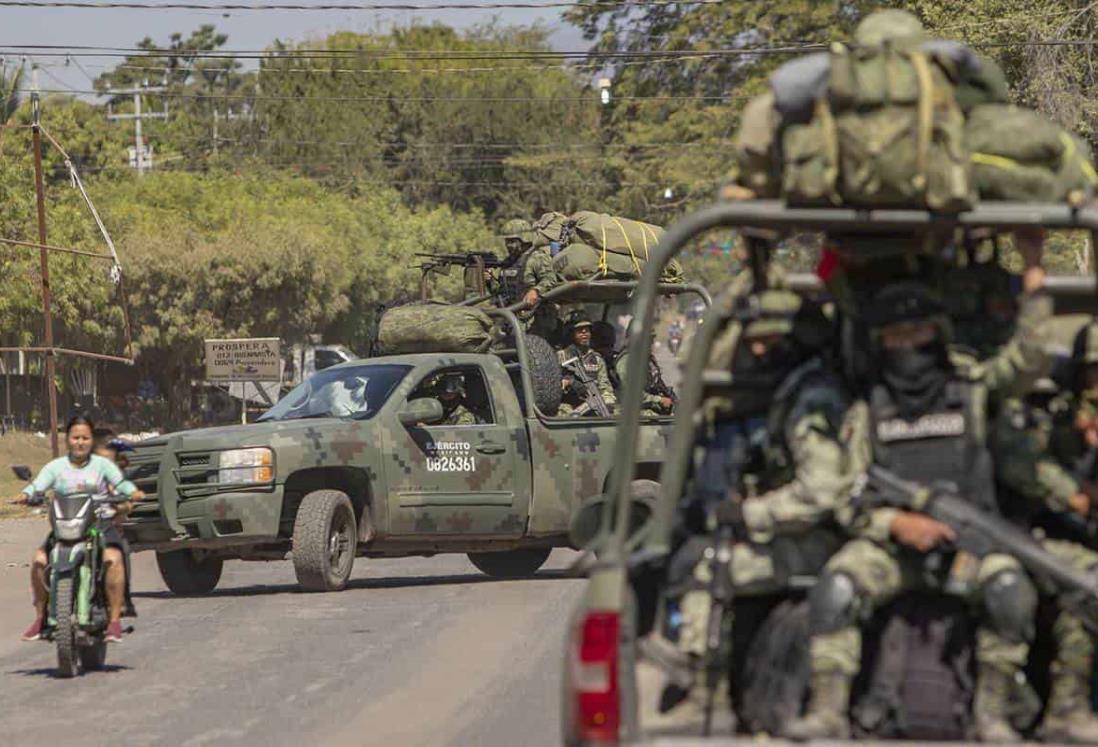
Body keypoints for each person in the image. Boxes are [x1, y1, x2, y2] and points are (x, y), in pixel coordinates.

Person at [785, 232, 1052, 742]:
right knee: (836, 588)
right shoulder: (867, 408)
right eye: (896, 337)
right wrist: (897, 522)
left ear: (939, 333)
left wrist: (1034, 268)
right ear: (880, 343)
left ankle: (991, 714)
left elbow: (1031, 359)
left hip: (967, 547)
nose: (908, 347)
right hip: (891, 547)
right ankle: (827, 711)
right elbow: (847, 495)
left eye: (918, 334)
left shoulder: (971, 391)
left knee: (1010, 590)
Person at [662, 288, 847, 729]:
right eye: (754, 342)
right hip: (819, 526)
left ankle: (707, 695)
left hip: (830, 536)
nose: (758, 352)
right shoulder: (793, 387)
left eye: (767, 342)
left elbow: (821, 492)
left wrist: (751, 515)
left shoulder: (813, 395)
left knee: (710, 570)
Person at [990, 319, 1098, 742]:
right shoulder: (1047, 409)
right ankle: (1066, 710)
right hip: (1036, 536)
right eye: (1094, 372)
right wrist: (1072, 491)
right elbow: (1018, 464)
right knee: (1086, 586)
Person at [16, 414, 143, 643]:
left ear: (91, 440)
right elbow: (38, 485)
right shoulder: (56, 467)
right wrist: (26, 495)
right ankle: (40, 617)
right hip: (65, 525)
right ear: (68, 440)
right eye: (75, 437)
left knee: (113, 559)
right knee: (39, 560)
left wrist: (131, 491)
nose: (80, 442)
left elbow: (121, 483)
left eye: (85, 438)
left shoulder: (102, 465)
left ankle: (114, 621)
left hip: (99, 524)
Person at [499, 218, 563, 340]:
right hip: (513, 319)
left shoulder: (537, 258)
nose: (508, 245)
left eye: (512, 241)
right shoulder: (508, 262)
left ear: (524, 240)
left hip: (536, 321)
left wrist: (536, 291)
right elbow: (502, 291)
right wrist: (489, 281)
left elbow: (550, 279)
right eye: (507, 241)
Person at [558, 311, 618, 416]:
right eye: (579, 330)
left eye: (587, 329)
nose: (584, 332)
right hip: (568, 405)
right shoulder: (561, 356)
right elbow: (551, 386)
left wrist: (608, 403)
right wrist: (569, 383)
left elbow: (605, 386)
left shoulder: (596, 358)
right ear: (571, 333)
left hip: (593, 403)